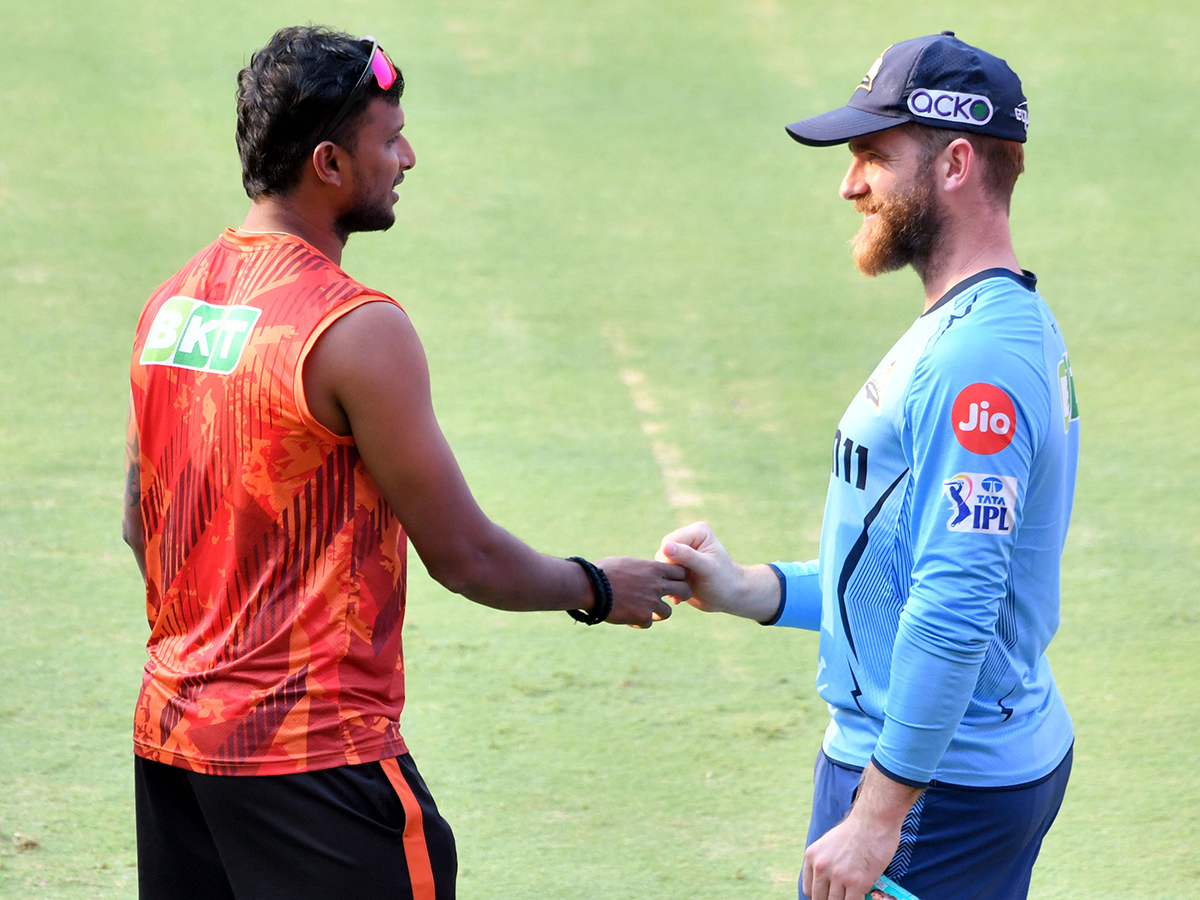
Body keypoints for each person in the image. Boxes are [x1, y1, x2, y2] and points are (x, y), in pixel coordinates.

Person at [122, 25, 689, 900]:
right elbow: (467, 558)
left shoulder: (172, 303)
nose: (408, 156)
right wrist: (599, 586)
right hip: (314, 765)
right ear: (330, 164)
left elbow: (139, 525)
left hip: (175, 751)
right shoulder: (352, 328)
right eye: (388, 139)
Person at [659, 32, 1080, 900]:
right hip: (929, 769)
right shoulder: (963, 329)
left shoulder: (978, 363)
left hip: (934, 789)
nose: (850, 185)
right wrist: (754, 589)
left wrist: (880, 817)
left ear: (956, 163)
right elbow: (898, 567)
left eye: (874, 158)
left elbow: (956, 606)